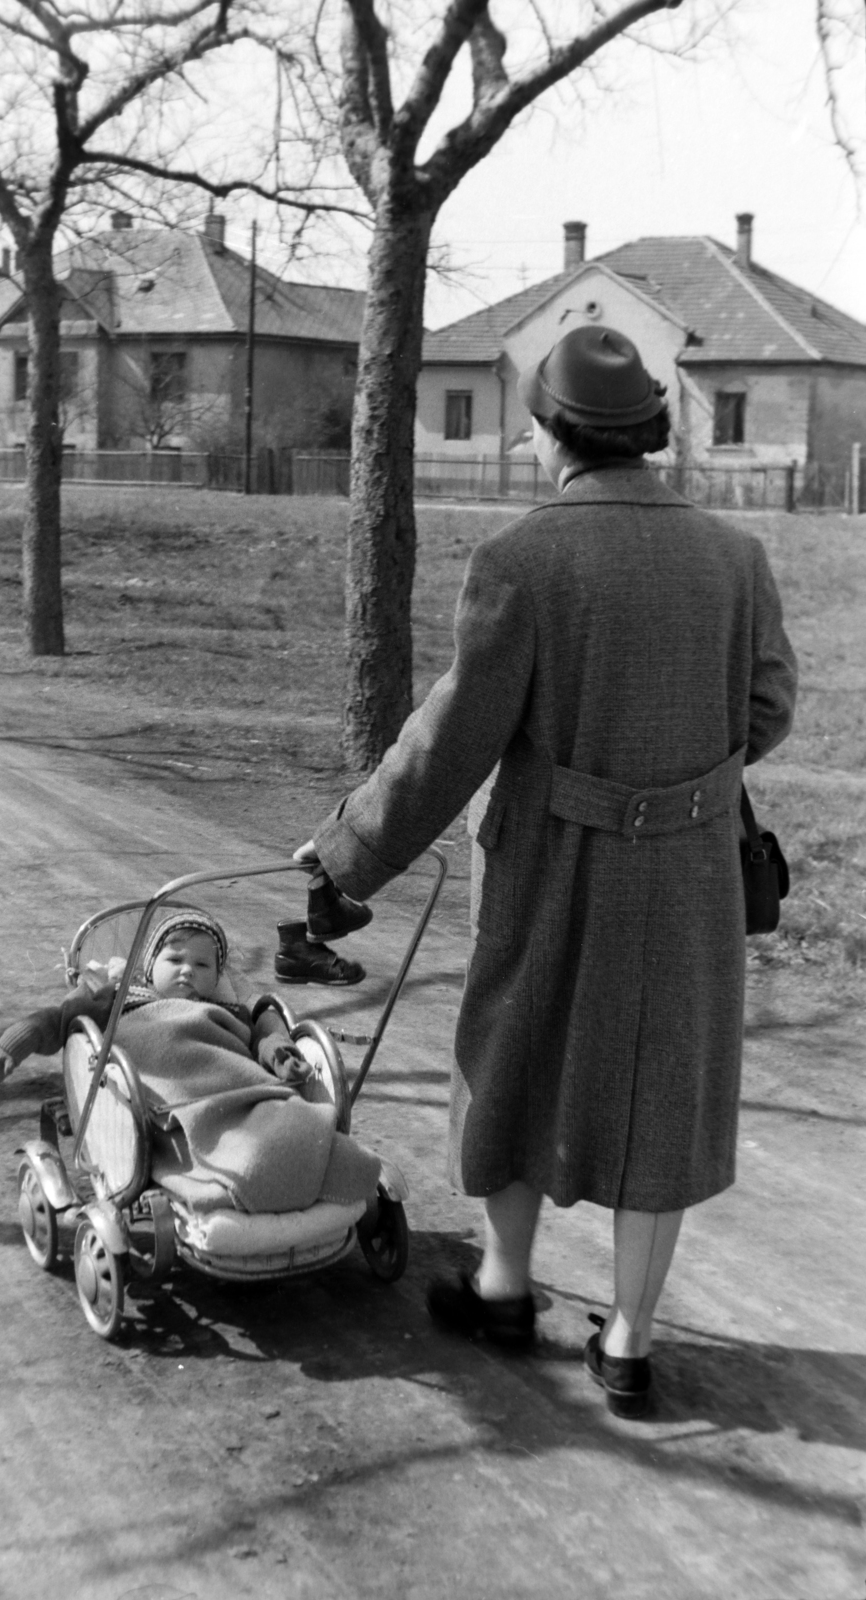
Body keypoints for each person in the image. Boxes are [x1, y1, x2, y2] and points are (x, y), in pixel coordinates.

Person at [297, 324, 797, 1418]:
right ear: (650, 432)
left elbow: (452, 741)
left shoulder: (521, 561)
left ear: (551, 431)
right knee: (664, 1092)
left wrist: (350, 853)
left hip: (546, 860)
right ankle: (626, 1343)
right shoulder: (735, 557)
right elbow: (768, 710)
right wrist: (677, 775)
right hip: (689, 873)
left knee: (514, 1057)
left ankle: (505, 1287)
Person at [0, 905, 381, 1216]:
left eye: (202, 965)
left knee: (292, 1121)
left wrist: (278, 1054)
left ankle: (297, 1158)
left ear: (217, 974)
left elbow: (265, 1032)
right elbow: (61, 1021)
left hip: (241, 1088)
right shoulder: (123, 1000)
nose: (188, 971)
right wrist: (14, 1044)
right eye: (175, 961)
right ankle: (247, 1170)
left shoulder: (229, 1007)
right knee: (236, 1144)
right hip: (170, 1099)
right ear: (149, 967)